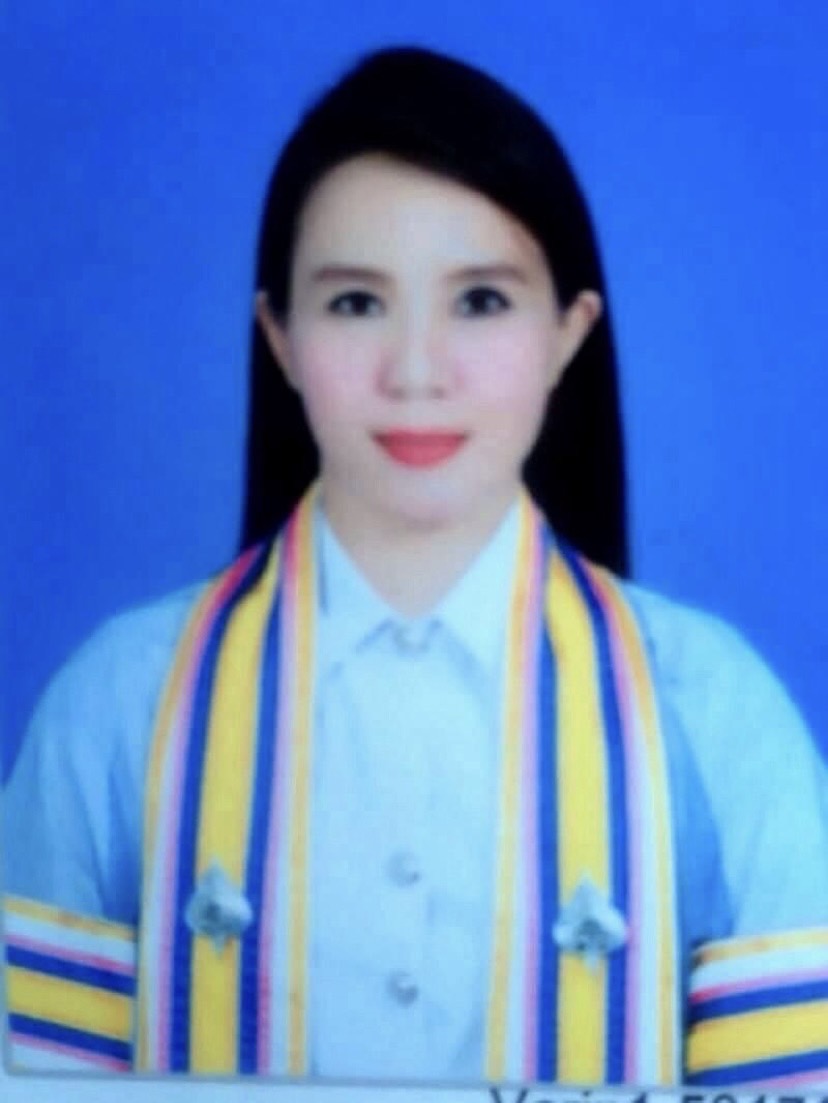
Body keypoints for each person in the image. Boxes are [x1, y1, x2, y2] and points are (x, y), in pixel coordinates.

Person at [4, 45, 828, 1088]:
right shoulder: (114, 710)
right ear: (279, 335)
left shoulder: (720, 719)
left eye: (479, 300)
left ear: (568, 333)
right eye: (356, 302)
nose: (416, 372)